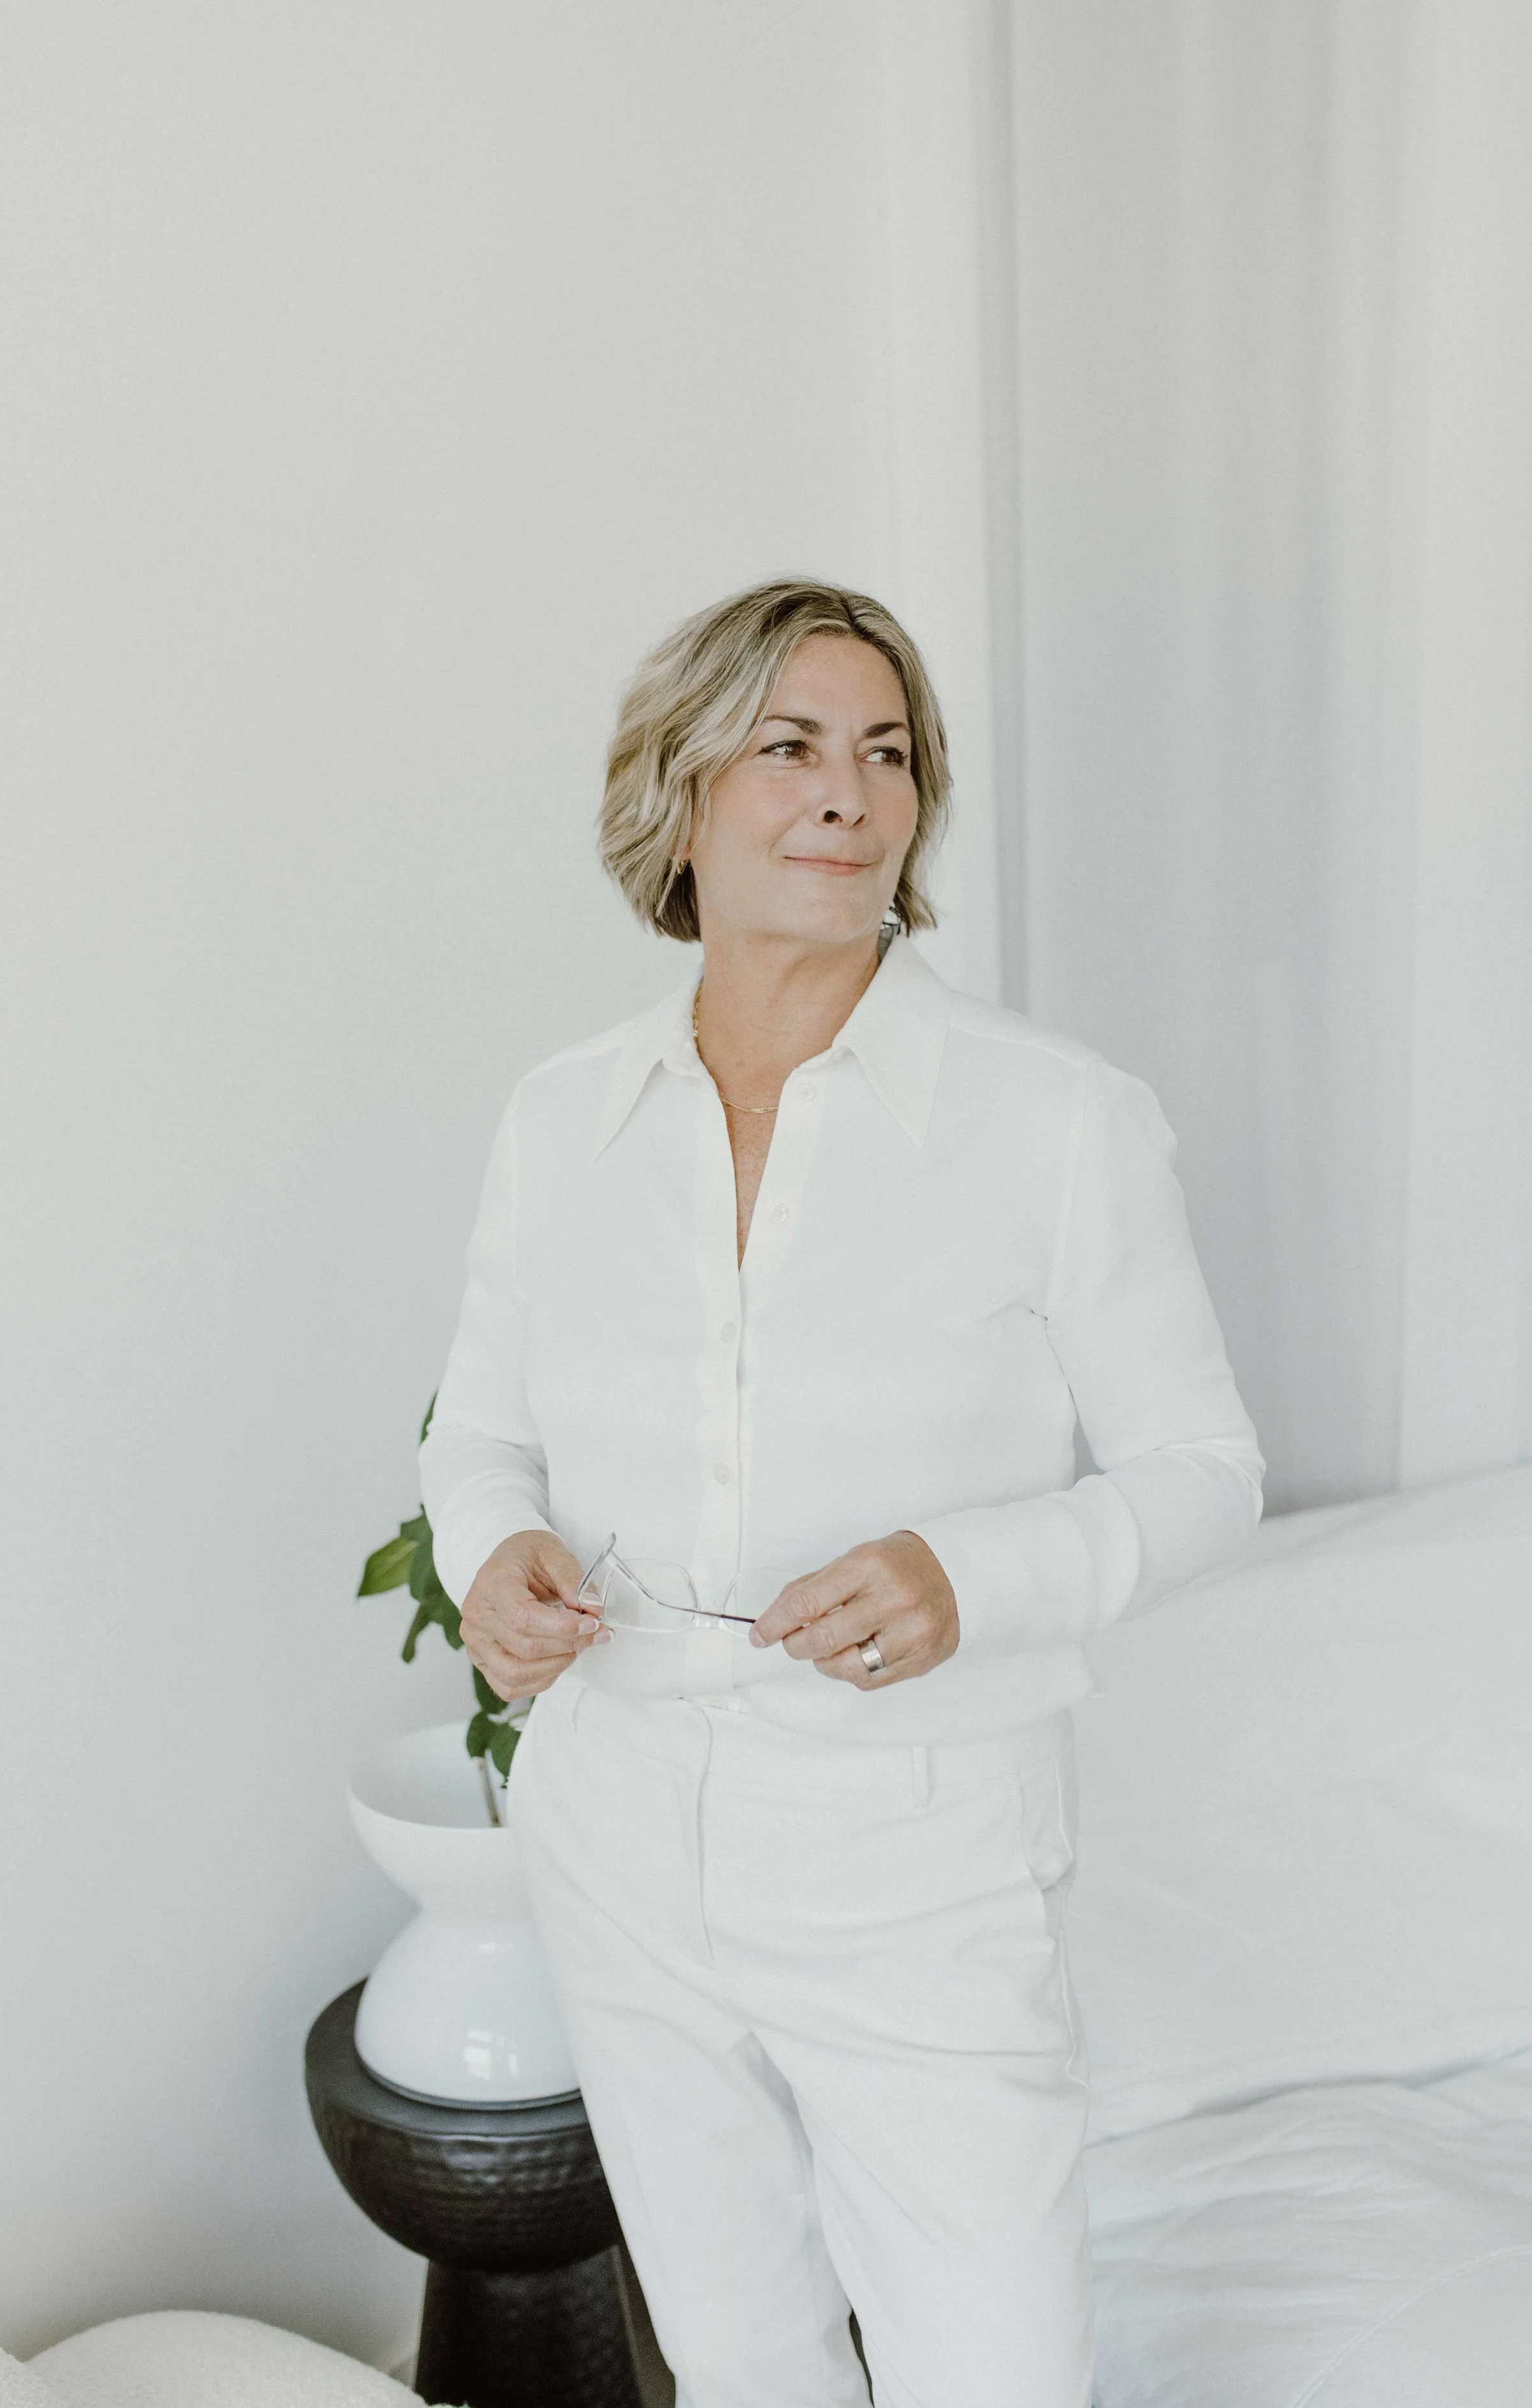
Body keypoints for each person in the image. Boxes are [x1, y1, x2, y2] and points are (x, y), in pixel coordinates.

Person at [418, 578, 1265, 2407]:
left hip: (919, 1862)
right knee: (737, 2359)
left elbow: (1205, 1473)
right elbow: (476, 1434)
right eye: (789, 746)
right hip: (615, 1828)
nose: (846, 794)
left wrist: (975, 1573)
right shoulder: (562, 1120)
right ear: (678, 799)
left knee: (994, 2370)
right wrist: (491, 1555)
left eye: (887, 755)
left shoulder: (1057, 1120)